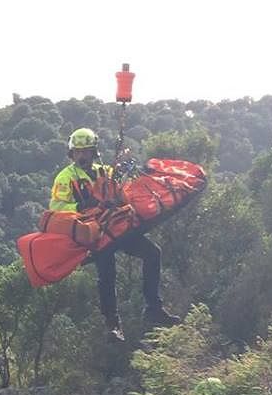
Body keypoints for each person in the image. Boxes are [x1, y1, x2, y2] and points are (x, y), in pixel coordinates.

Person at [50, 127, 180, 341]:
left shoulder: (105, 172)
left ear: (93, 152)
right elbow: (56, 207)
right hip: (93, 233)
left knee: (152, 253)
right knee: (107, 272)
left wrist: (124, 177)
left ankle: (153, 308)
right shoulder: (66, 178)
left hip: (117, 226)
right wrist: (82, 207)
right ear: (71, 154)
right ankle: (113, 324)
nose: (82, 156)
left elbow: (121, 193)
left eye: (86, 151)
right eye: (78, 152)